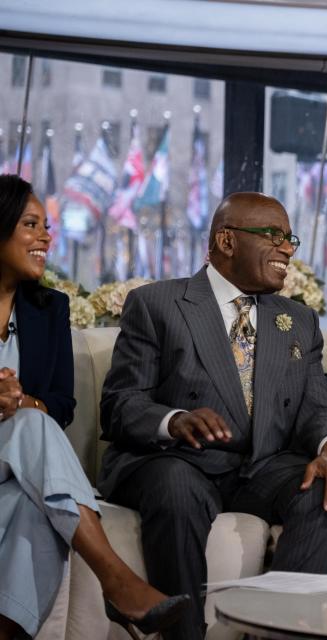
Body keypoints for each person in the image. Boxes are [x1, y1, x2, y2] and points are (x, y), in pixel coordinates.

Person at [98, 192, 327, 640]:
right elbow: (122, 404)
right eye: (273, 236)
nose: (288, 249)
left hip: (259, 466)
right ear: (227, 240)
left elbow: (317, 406)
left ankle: (271, 630)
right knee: (176, 487)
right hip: (177, 460)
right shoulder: (158, 304)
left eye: (289, 238)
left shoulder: (298, 320)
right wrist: (174, 419)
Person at [0, 175, 188, 640]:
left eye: (46, 225)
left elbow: (61, 404)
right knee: (32, 429)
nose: (46, 236)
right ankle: (118, 581)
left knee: (33, 496)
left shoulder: (49, 309)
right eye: (31, 224)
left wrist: (19, 401)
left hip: (15, 460)